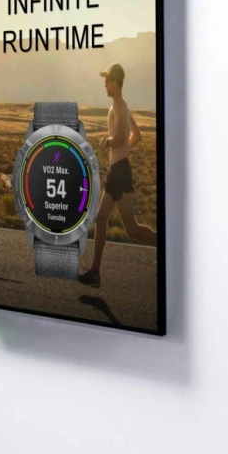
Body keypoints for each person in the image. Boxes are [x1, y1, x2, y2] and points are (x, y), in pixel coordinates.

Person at [80, 63, 158, 288]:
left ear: (115, 82)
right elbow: (137, 135)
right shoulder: (123, 106)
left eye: (107, 80)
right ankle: (95, 273)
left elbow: (123, 137)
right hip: (118, 170)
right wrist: (122, 151)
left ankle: (164, 246)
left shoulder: (118, 107)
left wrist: (108, 142)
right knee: (102, 219)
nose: (104, 84)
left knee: (131, 229)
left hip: (120, 172)